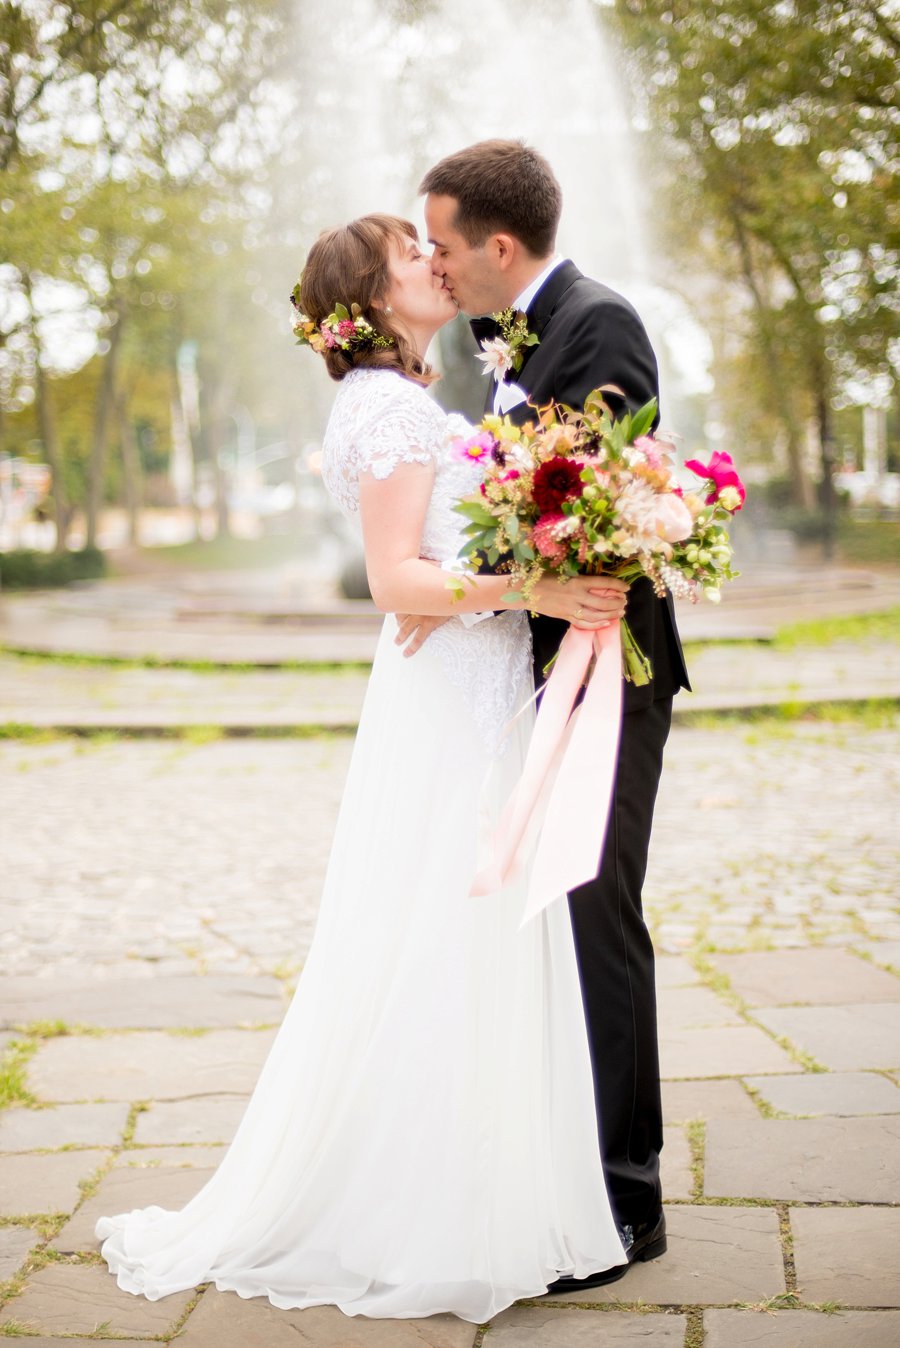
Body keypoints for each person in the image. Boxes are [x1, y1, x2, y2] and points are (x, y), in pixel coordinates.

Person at [94, 213, 633, 1322]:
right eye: (410, 257)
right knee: (451, 927)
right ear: (373, 300)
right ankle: (432, 1209)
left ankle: (478, 1190)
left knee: (455, 929)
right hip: (451, 700)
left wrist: (490, 565)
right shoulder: (389, 409)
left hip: (460, 683)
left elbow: (429, 563)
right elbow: (394, 581)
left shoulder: (396, 402)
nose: (435, 266)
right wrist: (530, 589)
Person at [400, 140, 691, 1291]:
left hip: (604, 665)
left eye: (444, 244)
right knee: (550, 917)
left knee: (594, 911)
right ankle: (562, 1167)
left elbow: (601, 498)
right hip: (535, 660)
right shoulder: (506, 338)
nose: (434, 261)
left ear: (500, 247)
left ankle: (627, 1198)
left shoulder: (600, 323)